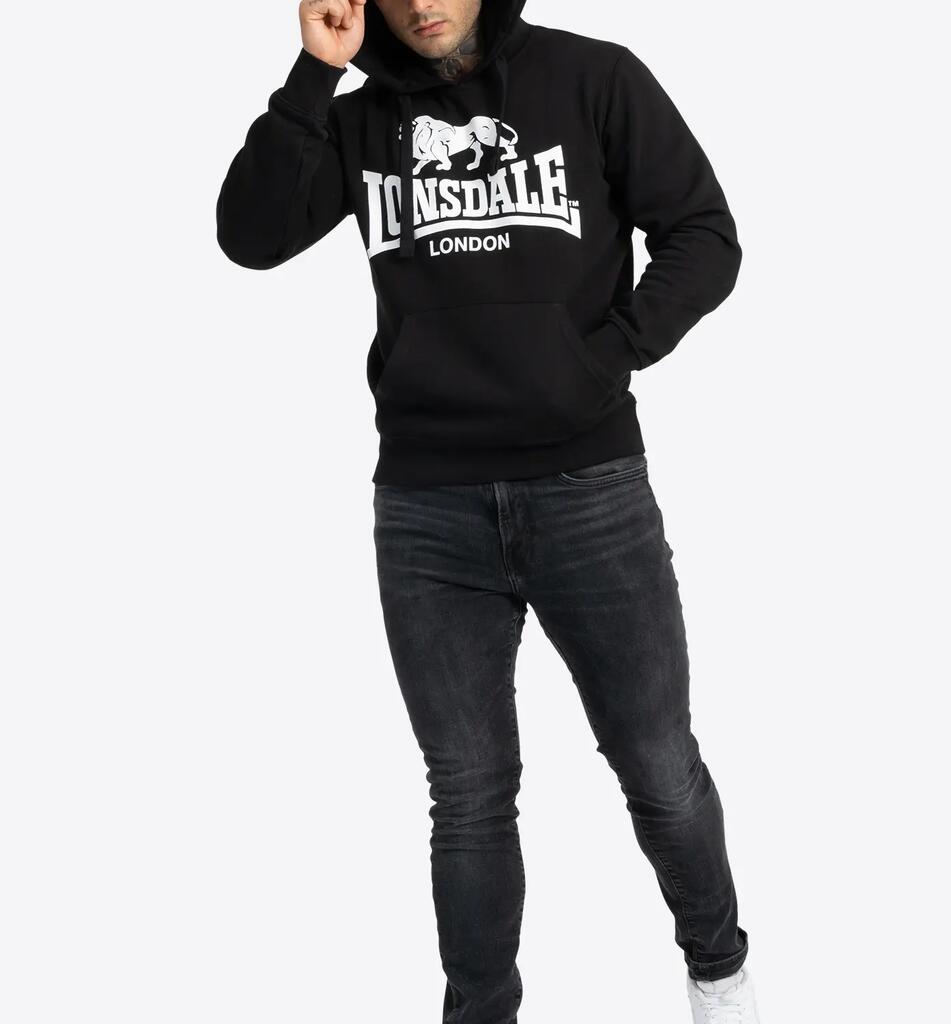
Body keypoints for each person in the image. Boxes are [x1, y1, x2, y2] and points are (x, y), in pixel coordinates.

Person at [216, 1, 759, 1021]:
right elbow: (249, 238)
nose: (422, 3)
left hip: (590, 489)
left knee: (656, 763)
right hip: (427, 507)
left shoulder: (594, 78)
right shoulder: (360, 116)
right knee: (468, 795)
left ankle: (719, 971)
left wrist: (606, 355)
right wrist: (313, 75)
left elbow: (703, 234)